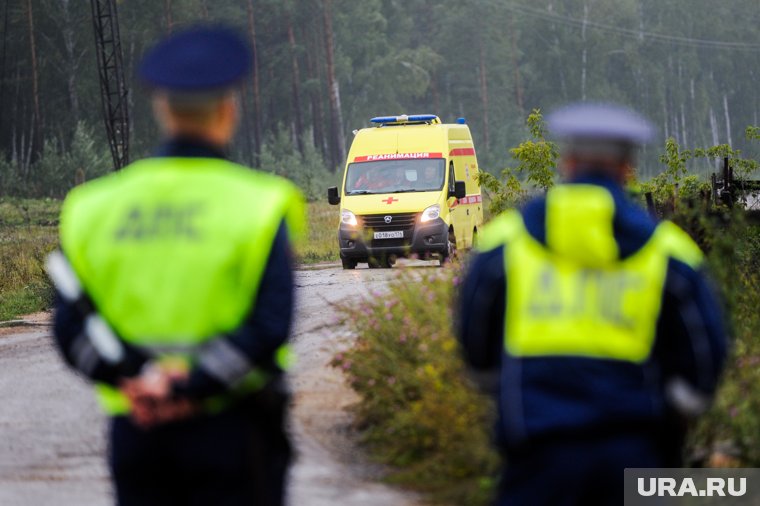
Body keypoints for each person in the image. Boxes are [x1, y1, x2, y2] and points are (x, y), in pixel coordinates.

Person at [51, 26, 304, 506]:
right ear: (229, 109)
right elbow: (271, 326)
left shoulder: (92, 206)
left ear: (161, 109)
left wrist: (137, 380)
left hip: (137, 431)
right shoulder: (261, 203)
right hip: (233, 432)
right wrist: (191, 388)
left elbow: (70, 328)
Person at [458, 103, 727, 505]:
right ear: (627, 168)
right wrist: (677, 413)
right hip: (638, 454)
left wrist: (504, 387)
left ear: (567, 161)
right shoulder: (669, 252)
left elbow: (475, 342)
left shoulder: (505, 240)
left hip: (536, 450)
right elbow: (705, 357)